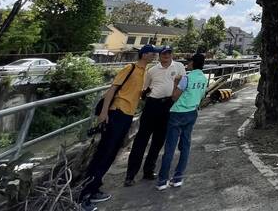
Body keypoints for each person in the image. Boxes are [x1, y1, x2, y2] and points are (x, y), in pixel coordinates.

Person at [79, 44, 159, 209]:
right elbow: (112, 90)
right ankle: (85, 195)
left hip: (128, 115)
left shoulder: (144, 72)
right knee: (104, 152)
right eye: (152, 53)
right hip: (117, 113)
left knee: (111, 153)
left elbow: (133, 92)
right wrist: (104, 113)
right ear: (144, 55)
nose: (154, 56)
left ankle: (95, 187)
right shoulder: (130, 68)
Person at [124, 46, 185, 186]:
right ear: (159, 55)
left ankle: (148, 170)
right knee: (141, 139)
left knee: (158, 141)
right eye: (164, 53)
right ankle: (130, 174)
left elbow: (183, 84)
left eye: (169, 53)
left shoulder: (179, 66)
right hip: (152, 105)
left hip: (168, 105)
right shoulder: (151, 71)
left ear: (172, 54)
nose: (166, 55)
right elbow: (145, 89)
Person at [157, 53, 208, 190]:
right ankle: (178, 177)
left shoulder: (187, 78)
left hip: (178, 113)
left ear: (192, 63)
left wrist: (175, 83)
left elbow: (174, 97)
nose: (188, 64)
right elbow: (202, 95)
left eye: (189, 61)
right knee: (185, 146)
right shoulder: (204, 78)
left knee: (170, 147)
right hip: (192, 112)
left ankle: (162, 180)